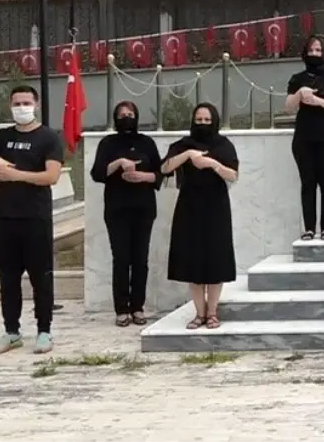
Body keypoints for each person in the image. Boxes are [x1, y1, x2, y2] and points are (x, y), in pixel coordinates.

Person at [0, 85, 64, 355]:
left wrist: (17, 175)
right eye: (16, 103)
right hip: (4, 219)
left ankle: (44, 331)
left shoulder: (48, 138)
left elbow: (51, 177)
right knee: (8, 279)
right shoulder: (1, 137)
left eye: (26, 102)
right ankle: (12, 331)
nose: (21, 107)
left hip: (35, 218)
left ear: (35, 104)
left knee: (40, 278)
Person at [162, 103, 240, 330]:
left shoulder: (224, 145)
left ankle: (213, 313)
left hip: (216, 206)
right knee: (192, 260)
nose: (203, 124)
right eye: (199, 119)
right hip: (189, 205)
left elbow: (233, 175)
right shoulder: (183, 144)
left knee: (216, 260)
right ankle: (199, 313)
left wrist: (212, 164)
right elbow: (165, 168)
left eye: (207, 120)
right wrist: (188, 155)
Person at [89, 101, 162, 327]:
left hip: (144, 209)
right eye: (122, 114)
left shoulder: (147, 142)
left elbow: (161, 174)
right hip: (117, 210)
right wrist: (119, 163)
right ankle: (121, 309)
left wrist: (143, 177)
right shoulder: (108, 143)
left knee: (140, 260)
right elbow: (97, 173)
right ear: (115, 117)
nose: (126, 117)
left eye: (130, 114)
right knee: (121, 259)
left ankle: (138, 307)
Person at [285, 36, 324, 240]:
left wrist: (318, 101)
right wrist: (300, 94)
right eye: (311, 50)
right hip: (304, 137)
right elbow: (288, 108)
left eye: (318, 50)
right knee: (308, 183)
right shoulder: (297, 78)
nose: (314, 53)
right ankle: (309, 228)